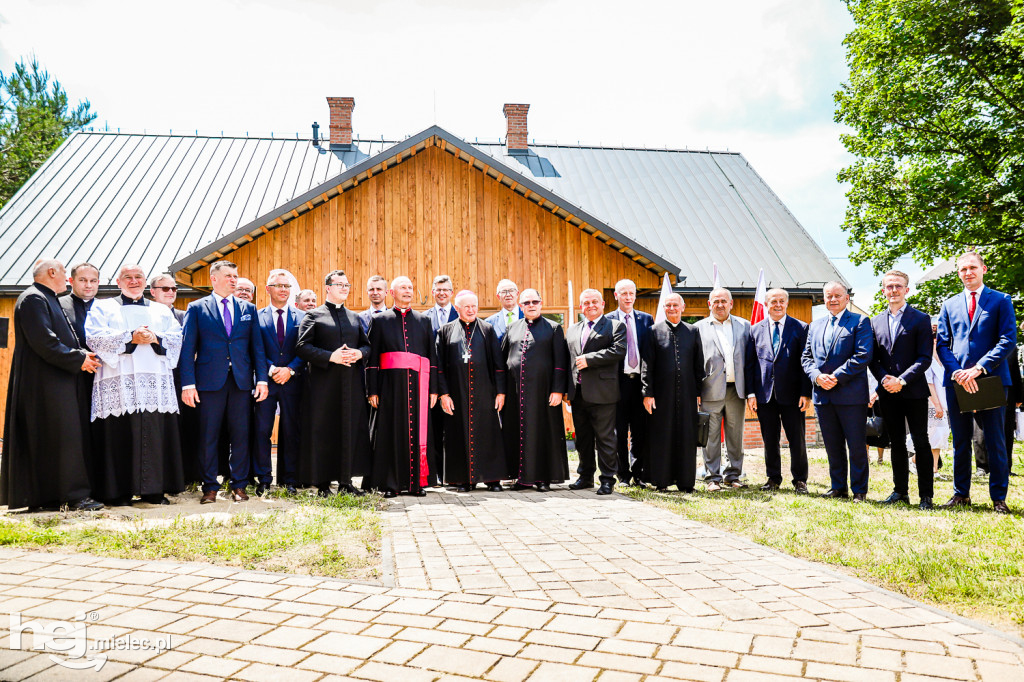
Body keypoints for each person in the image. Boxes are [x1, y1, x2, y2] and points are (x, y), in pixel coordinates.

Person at [0, 259, 103, 511]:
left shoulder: (44, 297)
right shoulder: (34, 298)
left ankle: (50, 496)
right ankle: (74, 496)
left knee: (55, 438)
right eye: (64, 273)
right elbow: (45, 341)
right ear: (52, 272)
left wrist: (80, 353)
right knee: (63, 437)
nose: (66, 277)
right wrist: (79, 358)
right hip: (45, 381)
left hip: (55, 379)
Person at [85, 264, 184, 506]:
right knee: (118, 435)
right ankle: (118, 493)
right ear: (118, 282)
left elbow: (176, 337)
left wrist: (156, 338)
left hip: (154, 383)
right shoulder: (102, 306)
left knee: (154, 434)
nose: (133, 281)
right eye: (127, 277)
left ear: (145, 282)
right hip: (119, 383)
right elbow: (93, 336)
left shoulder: (161, 309)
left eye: (138, 277)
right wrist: (130, 337)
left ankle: (154, 491)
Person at [180, 260, 269, 504]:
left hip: (241, 382)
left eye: (235, 275)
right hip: (208, 383)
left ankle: (239, 485)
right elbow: (187, 349)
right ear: (214, 279)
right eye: (229, 276)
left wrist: (262, 379)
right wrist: (188, 384)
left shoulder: (247, 309)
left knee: (240, 435)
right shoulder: (197, 308)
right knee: (208, 435)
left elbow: (257, 348)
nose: (234, 279)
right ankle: (209, 486)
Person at [936, 251, 1017, 514]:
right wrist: (959, 372)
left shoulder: (1001, 300)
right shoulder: (948, 304)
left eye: (972, 268)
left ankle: (999, 498)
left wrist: (979, 368)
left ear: (983, 269)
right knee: (960, 441)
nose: (968, 272)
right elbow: (943, 344)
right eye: (963, 269)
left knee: (995, 441)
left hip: (991, 379)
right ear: (958, 273)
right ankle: (961, 494)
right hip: (957, 381)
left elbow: (1008, 339)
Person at [296, 270, 371, 497]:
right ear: (328, 288)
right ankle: (322, 484)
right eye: (340, 284)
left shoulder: (355, 318)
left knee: (349, 430)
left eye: (347, 285)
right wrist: (331, 357)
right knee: (324, 431)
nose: (344, 288)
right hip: (323, 387)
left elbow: (368, 347)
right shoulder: (313, 316)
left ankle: (347, 482)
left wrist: (358, 353)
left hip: (351, 386)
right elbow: (302, 347)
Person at [365, 276, 438, 498]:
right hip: (389, 387)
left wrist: (433, 390)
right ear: (392, 293)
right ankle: (391, 483)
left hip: (419, 386)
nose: (407, 291)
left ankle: (417, 483)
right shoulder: (380, 321)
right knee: (390, 433)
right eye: (403, 288)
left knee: (418, 433)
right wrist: (373, 390)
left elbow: (431, 357)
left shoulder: (424, 320)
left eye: (410, 288)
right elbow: (372, 360)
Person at [868, 270, 935, 509]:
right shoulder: (874, 321)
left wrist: (902, 380)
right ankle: (900, 492)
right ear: (883, 290)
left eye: (898, 286)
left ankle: (926, 496)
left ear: (906, 290)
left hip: (914, 391)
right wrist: (885, 379)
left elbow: (924, 357)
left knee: (920, 441)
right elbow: (872, 358)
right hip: (888, 392)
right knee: (895, 442)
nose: (893, 290)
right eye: (889, 286)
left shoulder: (920, 319)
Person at [801, 281, 873, 501]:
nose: (832, 300)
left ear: (846, 298)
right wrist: (816, 376)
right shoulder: (815, 325)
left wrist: (836, 377)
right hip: (824, 395)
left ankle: (859, 490)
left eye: (837, 296)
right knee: (832, 445)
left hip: (851, 396)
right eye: (828, 296)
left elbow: (863, 355)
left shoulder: (860, 321)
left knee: (856, 446)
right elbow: (806, 357)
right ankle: (838, 487)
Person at [436, 290, 508, 492]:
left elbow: (499, 364)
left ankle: (492, 478)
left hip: (485, 393)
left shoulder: (487, 329)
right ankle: (464, 479)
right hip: (456, 393)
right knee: (458, 434)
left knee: (488, 433)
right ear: (457, 308)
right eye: (466, 306)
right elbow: (439, 366)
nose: (471, 310)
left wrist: (501, 392)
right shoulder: (445, 331)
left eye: (474, 306)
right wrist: (444, 394)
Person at [744, 288, 811, 493]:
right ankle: (773, 478)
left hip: (792, 395)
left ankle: (800, 480)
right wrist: (751, 393)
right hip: (765, 395)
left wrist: (805, 392)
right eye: (774, 301)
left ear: (787, 303)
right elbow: (750, 364)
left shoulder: (800, 328)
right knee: (770, 439)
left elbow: (806, 362)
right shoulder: (755, 330)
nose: (778, 305)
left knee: (796, 439)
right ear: (766, 304)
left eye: (782, 301)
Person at [501, 289, 569, 492]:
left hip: (543, 393)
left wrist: (557, 390)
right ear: (520, 306)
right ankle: (521, 477)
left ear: (541, 303)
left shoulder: (554, 328)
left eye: (535, 301)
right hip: (516, 393)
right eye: (527, 302)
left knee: (543, 433)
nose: (531, 305)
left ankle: (543, 478)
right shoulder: (512, 328)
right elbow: (504, 358)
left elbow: (560, 362)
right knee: (516, 432)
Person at [641, 294, 705, 492]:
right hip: (661, 395)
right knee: (662, 436)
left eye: (675, 305)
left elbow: (698, 364)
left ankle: (686, 483)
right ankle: (661, 481)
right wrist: (647, 393)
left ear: (682, 307)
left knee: (687, 437)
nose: (672, 308)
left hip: (687, 395)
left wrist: (698, 392)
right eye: (668, 305)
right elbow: (647, 364)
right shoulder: (652, 331)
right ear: (664, 308)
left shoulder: (693, 331)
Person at [566, 289, 626, 495]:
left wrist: (590, 359)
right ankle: (585, 476)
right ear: (581, 307)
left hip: (603, 392)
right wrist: (567, 389)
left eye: (594, 302)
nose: (590, 306)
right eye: (586, 303)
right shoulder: (573, 329)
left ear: (602, 304)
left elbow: (618, 351)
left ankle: (608, 479)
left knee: (605, 438)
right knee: (582, 438)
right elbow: (568, 361)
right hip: (578, 392)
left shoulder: (616, 326)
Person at [255, 269, 306, 495]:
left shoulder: (303, 317)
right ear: (268, 289)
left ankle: (289, 480)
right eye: (278, 286)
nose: (283, 290)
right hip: (266, 382)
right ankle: (264, 478)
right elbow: (253, 349)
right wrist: (272, 369)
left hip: (293, 382)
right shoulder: (257, 317)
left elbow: (305, 349)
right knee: (262, 430)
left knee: (291, 430)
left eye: (287, 286)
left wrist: (291, 370)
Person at [695, 288, 751, 491]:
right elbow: (695, 361)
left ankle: (733, 475)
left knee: (735, 435)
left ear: (731, 303)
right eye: (716, 301)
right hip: (710, 390)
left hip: (737, 390)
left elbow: (750, 360)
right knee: (711, 436)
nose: (720, 305)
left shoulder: (745, 326)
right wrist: (696, 391)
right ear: (709, 304)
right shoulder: (699, 328)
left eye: (724, 301)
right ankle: (712, 478)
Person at [150, 273, 201, 484]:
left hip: (183, 379)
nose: (170, 292)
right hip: (156, 381)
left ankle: (189, 476)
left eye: (173, 289)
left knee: (189, 428)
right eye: (165, 289)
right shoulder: (147, 316)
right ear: (152, 292)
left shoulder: (185, 315)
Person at [605, 278, 653, 486]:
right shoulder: (607, 321)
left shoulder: (646, 320)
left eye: (631, 293)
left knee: (640, 431)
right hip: (618, 384)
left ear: (635, 295)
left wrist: (649, 387)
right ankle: (623, 475)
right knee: (618, 431)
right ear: (616, 295)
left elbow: (650, 354)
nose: (628, 297)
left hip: (639, 384)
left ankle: (639, 473)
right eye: (623, 293)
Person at [60, 262, 101, 483]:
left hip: (103, 378)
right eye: (83, 280)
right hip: (72, 379)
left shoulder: (107, 307)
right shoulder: (58, 306)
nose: (88, 285)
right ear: (71, 281)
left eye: (93, 280)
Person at [426, 275, 458, 485]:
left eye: (446, 289)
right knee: (435, 429)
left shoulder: (461, 314)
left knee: (455, 429)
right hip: (432, 382)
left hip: (457, 381)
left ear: (451, 292)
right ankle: (436, 473)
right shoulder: (423, 317)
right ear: (433, 292)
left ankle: (455, 473)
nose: (442, 293)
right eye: (438, 290)